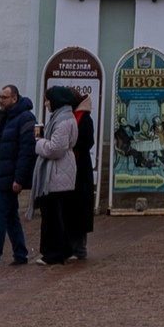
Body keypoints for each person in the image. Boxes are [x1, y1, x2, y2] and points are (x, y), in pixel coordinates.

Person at [0, 83, 36, 267]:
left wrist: (19, 179)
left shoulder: (25, 118)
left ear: (14, 98)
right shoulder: (7, 117)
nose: (0, 101)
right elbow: (7, 146)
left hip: (9, 177)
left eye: (3, 97)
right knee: (11, 216)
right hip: (3, 174)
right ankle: (20, 254)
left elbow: (26, 152)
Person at [33, 85, 81, 264]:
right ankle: (65, 249)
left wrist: (38, 143)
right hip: (61, 172)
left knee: (52, 216)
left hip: (57, 173)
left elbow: (55, 149)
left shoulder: (62, 120)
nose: (46, 104)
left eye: (47, 100)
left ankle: (53, 253)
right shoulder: (64, 118)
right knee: (59, 214)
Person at [68, 92, 96, 260]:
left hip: (81, 167)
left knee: (80, 206)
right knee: (71, 207)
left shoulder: (85, 119)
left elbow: (87, 142)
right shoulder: (69, 117)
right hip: (71, 166)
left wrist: (70, 143)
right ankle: (71, 245)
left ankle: (79, 247)